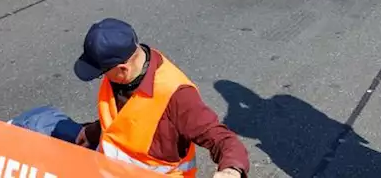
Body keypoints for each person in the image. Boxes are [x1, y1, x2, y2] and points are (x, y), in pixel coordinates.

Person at [72, 18, 250, 178]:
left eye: (101, 72)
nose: (101, 77)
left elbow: (223, 139)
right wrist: (92, 132)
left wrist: (231, 170)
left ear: (123, 69)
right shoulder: (123, 74)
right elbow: (123, 122)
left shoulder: (176, 95)